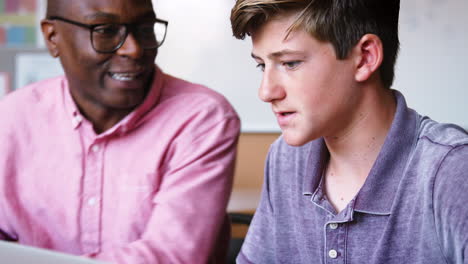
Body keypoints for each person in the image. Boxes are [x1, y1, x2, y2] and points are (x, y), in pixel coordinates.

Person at [0, 0, 240, 263]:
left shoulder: (202, 118)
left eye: (145, 28)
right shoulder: (12, 118)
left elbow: (174, 256)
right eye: (105, 30)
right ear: (52, 37)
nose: (134, 49)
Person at [230, 0, 468, 263]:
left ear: (365, 57)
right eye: (262, 66)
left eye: (290, 63)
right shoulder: (285, 158)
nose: (265, 92)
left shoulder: (452, 171)